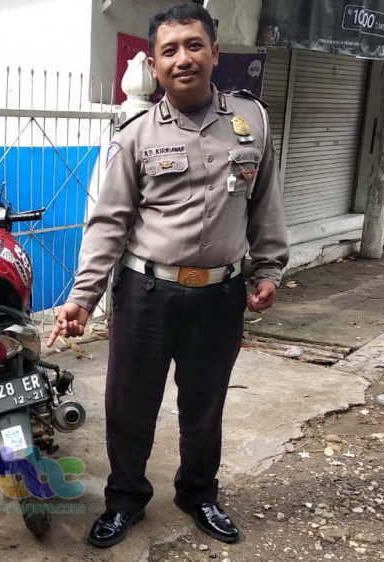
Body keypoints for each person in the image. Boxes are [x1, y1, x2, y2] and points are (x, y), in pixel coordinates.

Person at [46, 2, 289, 549]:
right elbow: (108, 223)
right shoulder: (135, 134)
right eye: (170, 50)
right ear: (153, 65)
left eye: (194, 45)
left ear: (214, 53)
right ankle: (125, 500)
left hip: (220, 295)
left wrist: (269, 268)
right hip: (146, 293)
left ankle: (198, 494)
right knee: (130, 406)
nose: (183, 59)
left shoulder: (251, 122)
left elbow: (265, 202)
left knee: (204, 405)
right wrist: (84, 296)